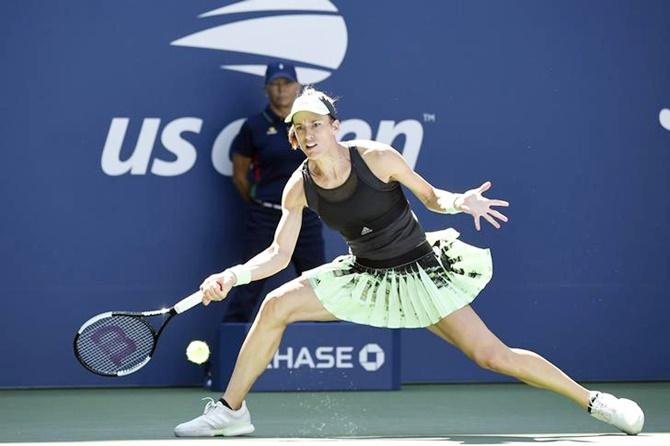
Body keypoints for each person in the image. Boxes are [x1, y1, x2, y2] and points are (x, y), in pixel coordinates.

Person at [175, 87, 645, 437]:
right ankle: (232, 412)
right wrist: (233, 276)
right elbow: (279, 254)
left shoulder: (378, 158)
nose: (309, 133)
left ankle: (595, 402)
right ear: (294, 138)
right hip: (365, 274)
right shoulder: (298, 187)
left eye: (317, 123)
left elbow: (432, 198)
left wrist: (460, 202)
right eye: (300, 128)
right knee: (276, 304)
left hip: (421, 269)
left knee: (491, 355)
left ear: (335, 127)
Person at [224, 62, 325, 322]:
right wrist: (264, 203)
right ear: (266, 89)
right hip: (265, 218)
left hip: (307, 216)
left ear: (298, 88)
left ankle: (324, 353)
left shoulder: (311, 126)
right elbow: (240, 175)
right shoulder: (254, 127)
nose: (281, 90)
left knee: (321, 289)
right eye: (275, 84)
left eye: (287, 84)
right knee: (246, 288)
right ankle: (229, 356)